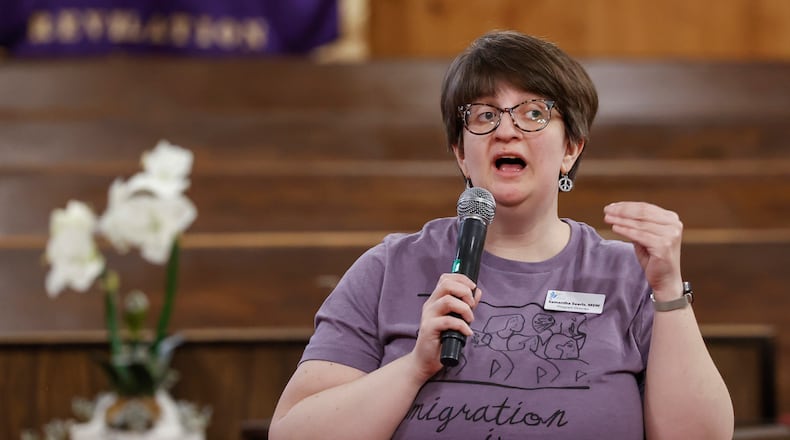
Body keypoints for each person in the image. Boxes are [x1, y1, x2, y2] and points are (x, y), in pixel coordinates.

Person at [269, 30, 734, 439]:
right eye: (485, 115)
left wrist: (669, 290)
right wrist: (414, 368)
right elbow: (293, 432)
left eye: (533, 113)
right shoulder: (389, 266)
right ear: (460, 152)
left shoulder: (630, 276)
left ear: (571, 147)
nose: (506, 131)